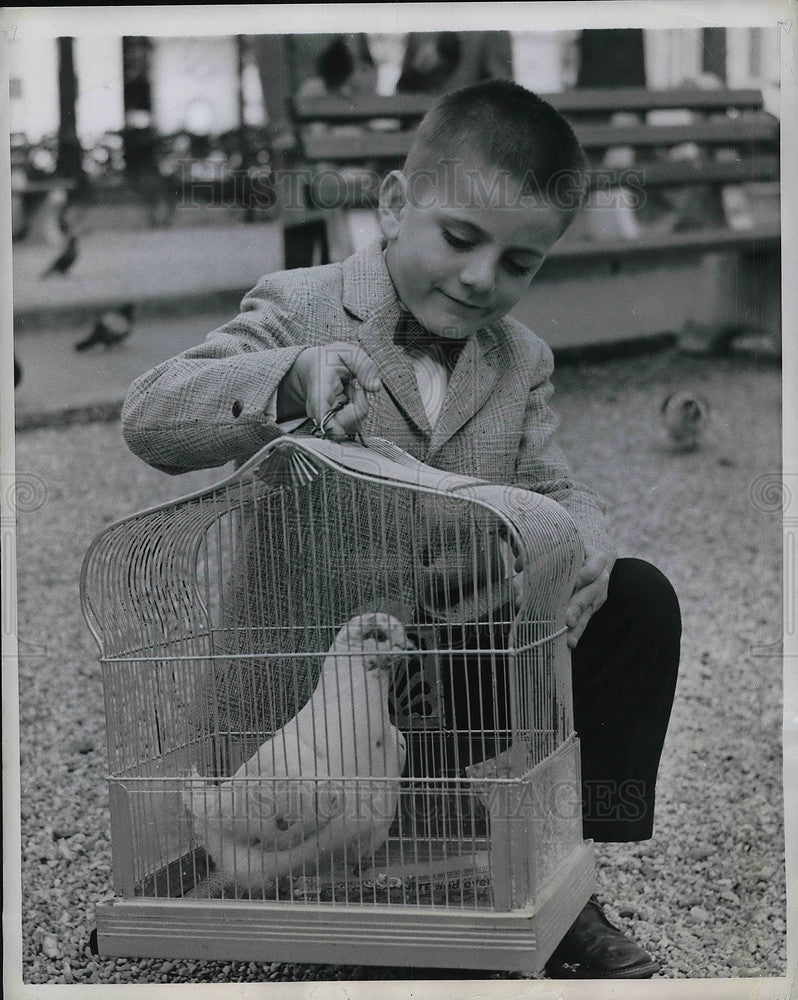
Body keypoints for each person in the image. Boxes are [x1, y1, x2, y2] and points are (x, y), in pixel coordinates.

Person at [121, 81, 680, 980]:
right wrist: (290, 377)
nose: (481, 278)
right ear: (392, 205)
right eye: (459, 239)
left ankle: (562, 870)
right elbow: (150, 417)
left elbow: (551, 486)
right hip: (309, 728)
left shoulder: (520, 358)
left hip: (436, 692)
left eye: (519, 262)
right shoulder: (300, 306)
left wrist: (587, 540)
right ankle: (379, 870)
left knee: (638, 599)